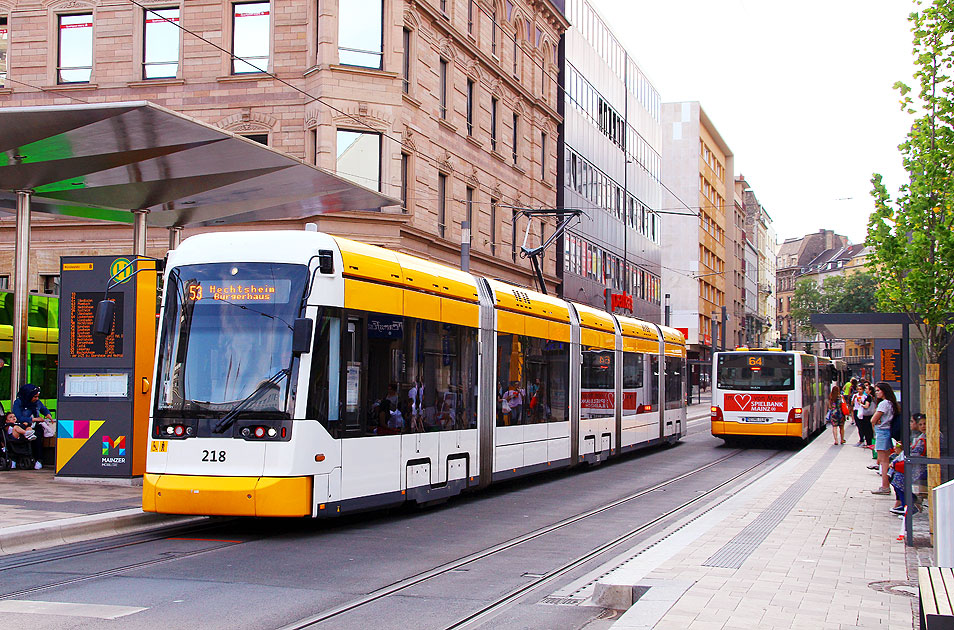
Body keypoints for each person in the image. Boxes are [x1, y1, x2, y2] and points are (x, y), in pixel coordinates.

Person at [870, 381, 900, 495]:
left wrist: (876, 420)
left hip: (882, 432)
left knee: (883, 461)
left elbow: (873, 419)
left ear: (884, 391)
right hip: (887, 431)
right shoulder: (892, 403)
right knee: (885, 460)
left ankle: (885, 486)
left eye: (878, 390)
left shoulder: (883, 404)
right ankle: (885, 486)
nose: (876, 393)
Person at [11, 384, 51, 469]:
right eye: (35, 397)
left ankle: (39, 460)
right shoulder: (19, 402)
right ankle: (14, 459)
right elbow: (19, 417)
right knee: (15, 438)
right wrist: (34, 419)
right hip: (22, 425)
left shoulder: (37, 402)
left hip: (34, 426)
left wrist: (48, 414)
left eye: (37, 397)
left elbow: (43, 408)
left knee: (38, 436)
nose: (36, 399)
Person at [857, 382, 875, 448]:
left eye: (867, 389)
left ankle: (868, 443)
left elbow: (866, 406)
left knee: (867, 430)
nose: (865, 390)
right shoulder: (873, 397)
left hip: (867, 416)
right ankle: (870, 443)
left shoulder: (868, 397)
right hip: (871, 414)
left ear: (870, 391)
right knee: (870, 430)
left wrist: (861, 404)